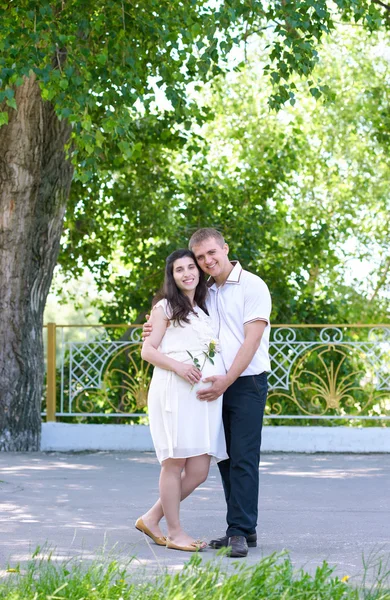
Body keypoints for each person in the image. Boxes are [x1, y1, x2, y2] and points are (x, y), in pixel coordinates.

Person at [143, 228, 271, 558]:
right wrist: (153, 323)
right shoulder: (204, 292)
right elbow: (168, 329)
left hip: (244, 383)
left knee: (240, 457)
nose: (205, 261)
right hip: (206, 388)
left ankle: (240, 531)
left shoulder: (252, 285)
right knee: (224, 459)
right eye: (199, 258)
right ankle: (235, 526)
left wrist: (227, 379)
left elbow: (251, 341)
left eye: (211, 253)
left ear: (225, 249)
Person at [136, 248, 227, 552]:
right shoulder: (165, 307)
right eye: (179, 269)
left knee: (199, 470)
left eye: (191, 267)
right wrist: (179, 366)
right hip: (174, 391)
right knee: (174, 464)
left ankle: (152, 518)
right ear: (172, 276)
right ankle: (174, 532)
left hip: (201, 399)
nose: (187, 273)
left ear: (199, 272)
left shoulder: (202, 309)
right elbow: (148, 350)